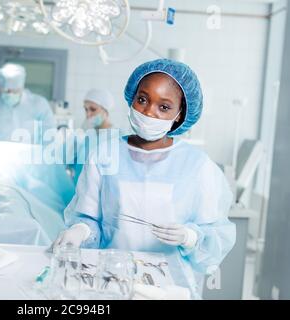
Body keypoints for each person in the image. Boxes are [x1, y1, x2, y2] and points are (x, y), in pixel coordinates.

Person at [54, 59, 236, 280]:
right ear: (132, 98)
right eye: (142, 100)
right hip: (112, 276)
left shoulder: (197, 165)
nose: (149, 112)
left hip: (170, 281)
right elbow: (89, 218)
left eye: (164, 107)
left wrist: (190, 237)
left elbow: (214, 234)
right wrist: (80, 230)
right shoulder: (104, 155)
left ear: (179, 114)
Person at [0, 63, 56, 144]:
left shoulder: (39, 104)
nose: (10, 94)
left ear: (21, 87)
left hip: (30, 155)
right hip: (1, 155)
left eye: (14, 90)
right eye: (6, 91)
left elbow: (49, 134)